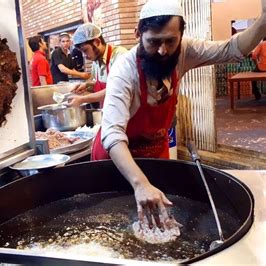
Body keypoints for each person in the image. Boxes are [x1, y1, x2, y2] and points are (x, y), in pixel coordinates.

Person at [95, 0, 266, 229]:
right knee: (114, 223)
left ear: (181, 37)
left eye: (170, 41)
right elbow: (113, 134)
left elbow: (231, 49)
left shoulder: (184, 50)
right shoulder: (123, 71)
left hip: (155, 151)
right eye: (154, 42)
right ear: (138, 33)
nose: (163, 51)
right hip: (117, 160)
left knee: (160, 221)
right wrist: (140, 183)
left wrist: (263, 21)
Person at [67, 23, 128, 108]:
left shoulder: (120, 56)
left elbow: (118, 89)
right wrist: (87, 86)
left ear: (97, 42)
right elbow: (99, 85)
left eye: (85, 50)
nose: (84, 56)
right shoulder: (96, 61)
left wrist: (83, 99)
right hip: (108, 111)